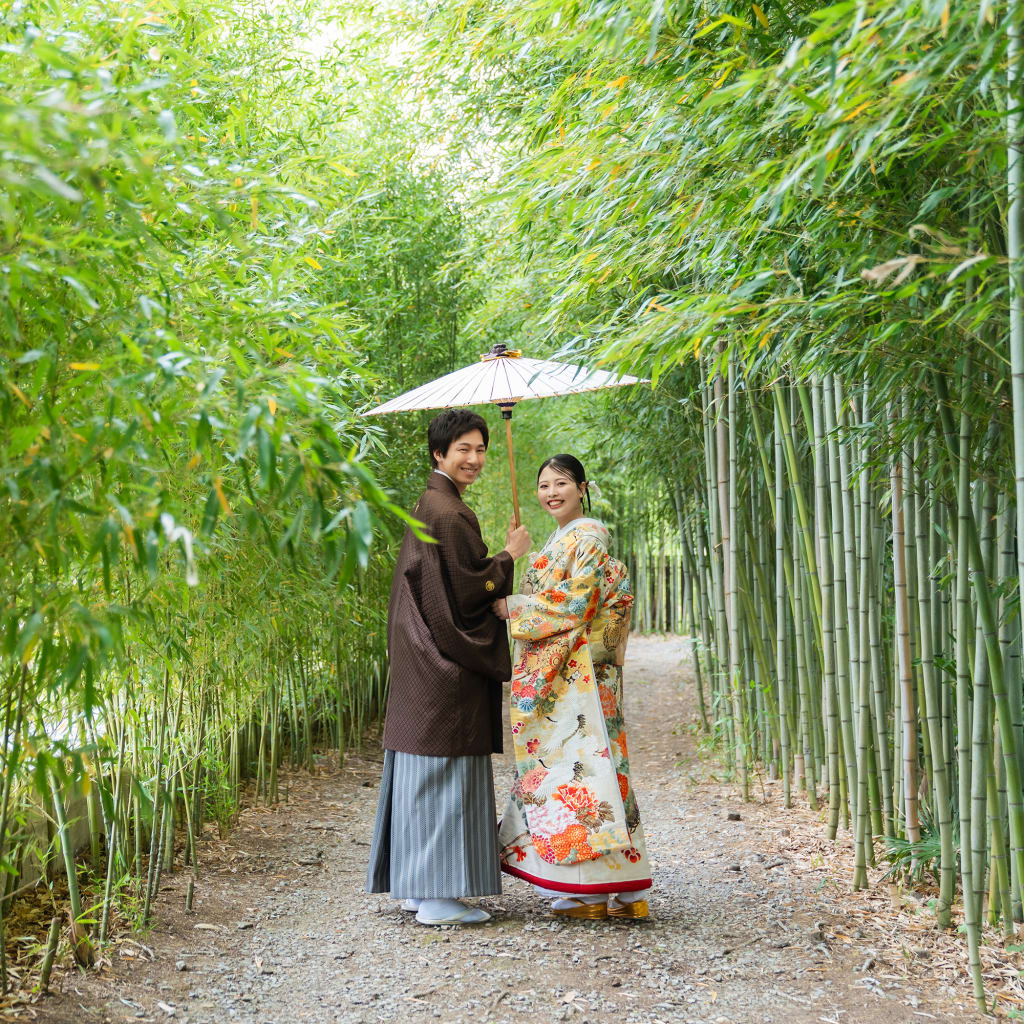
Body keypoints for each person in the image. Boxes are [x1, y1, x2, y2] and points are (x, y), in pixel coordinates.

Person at [366, 409, 531, 926]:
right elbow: (466, 590)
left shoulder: (429, 502)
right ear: (439, 453)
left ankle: (418, 888)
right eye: (464, 448)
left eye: (481, 448)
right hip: (443, 664)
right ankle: (437, 898)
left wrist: (496, 560)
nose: (475, 458)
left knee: (422, 773)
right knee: (445, 775)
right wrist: (508, 556)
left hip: (420, 659)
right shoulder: (451, 513)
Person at [493, 455, 652, 919]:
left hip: (578, 671)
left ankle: (588, 892)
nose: (551, 492)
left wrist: (516, 607)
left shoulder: (588, 536)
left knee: (581, 770)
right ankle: (624, 891)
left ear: (583, 487)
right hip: (576, 669)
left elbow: (577, 602)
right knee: (598, 770)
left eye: (561, 483)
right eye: (543, 485)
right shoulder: (565, 537)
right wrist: (514, 552)